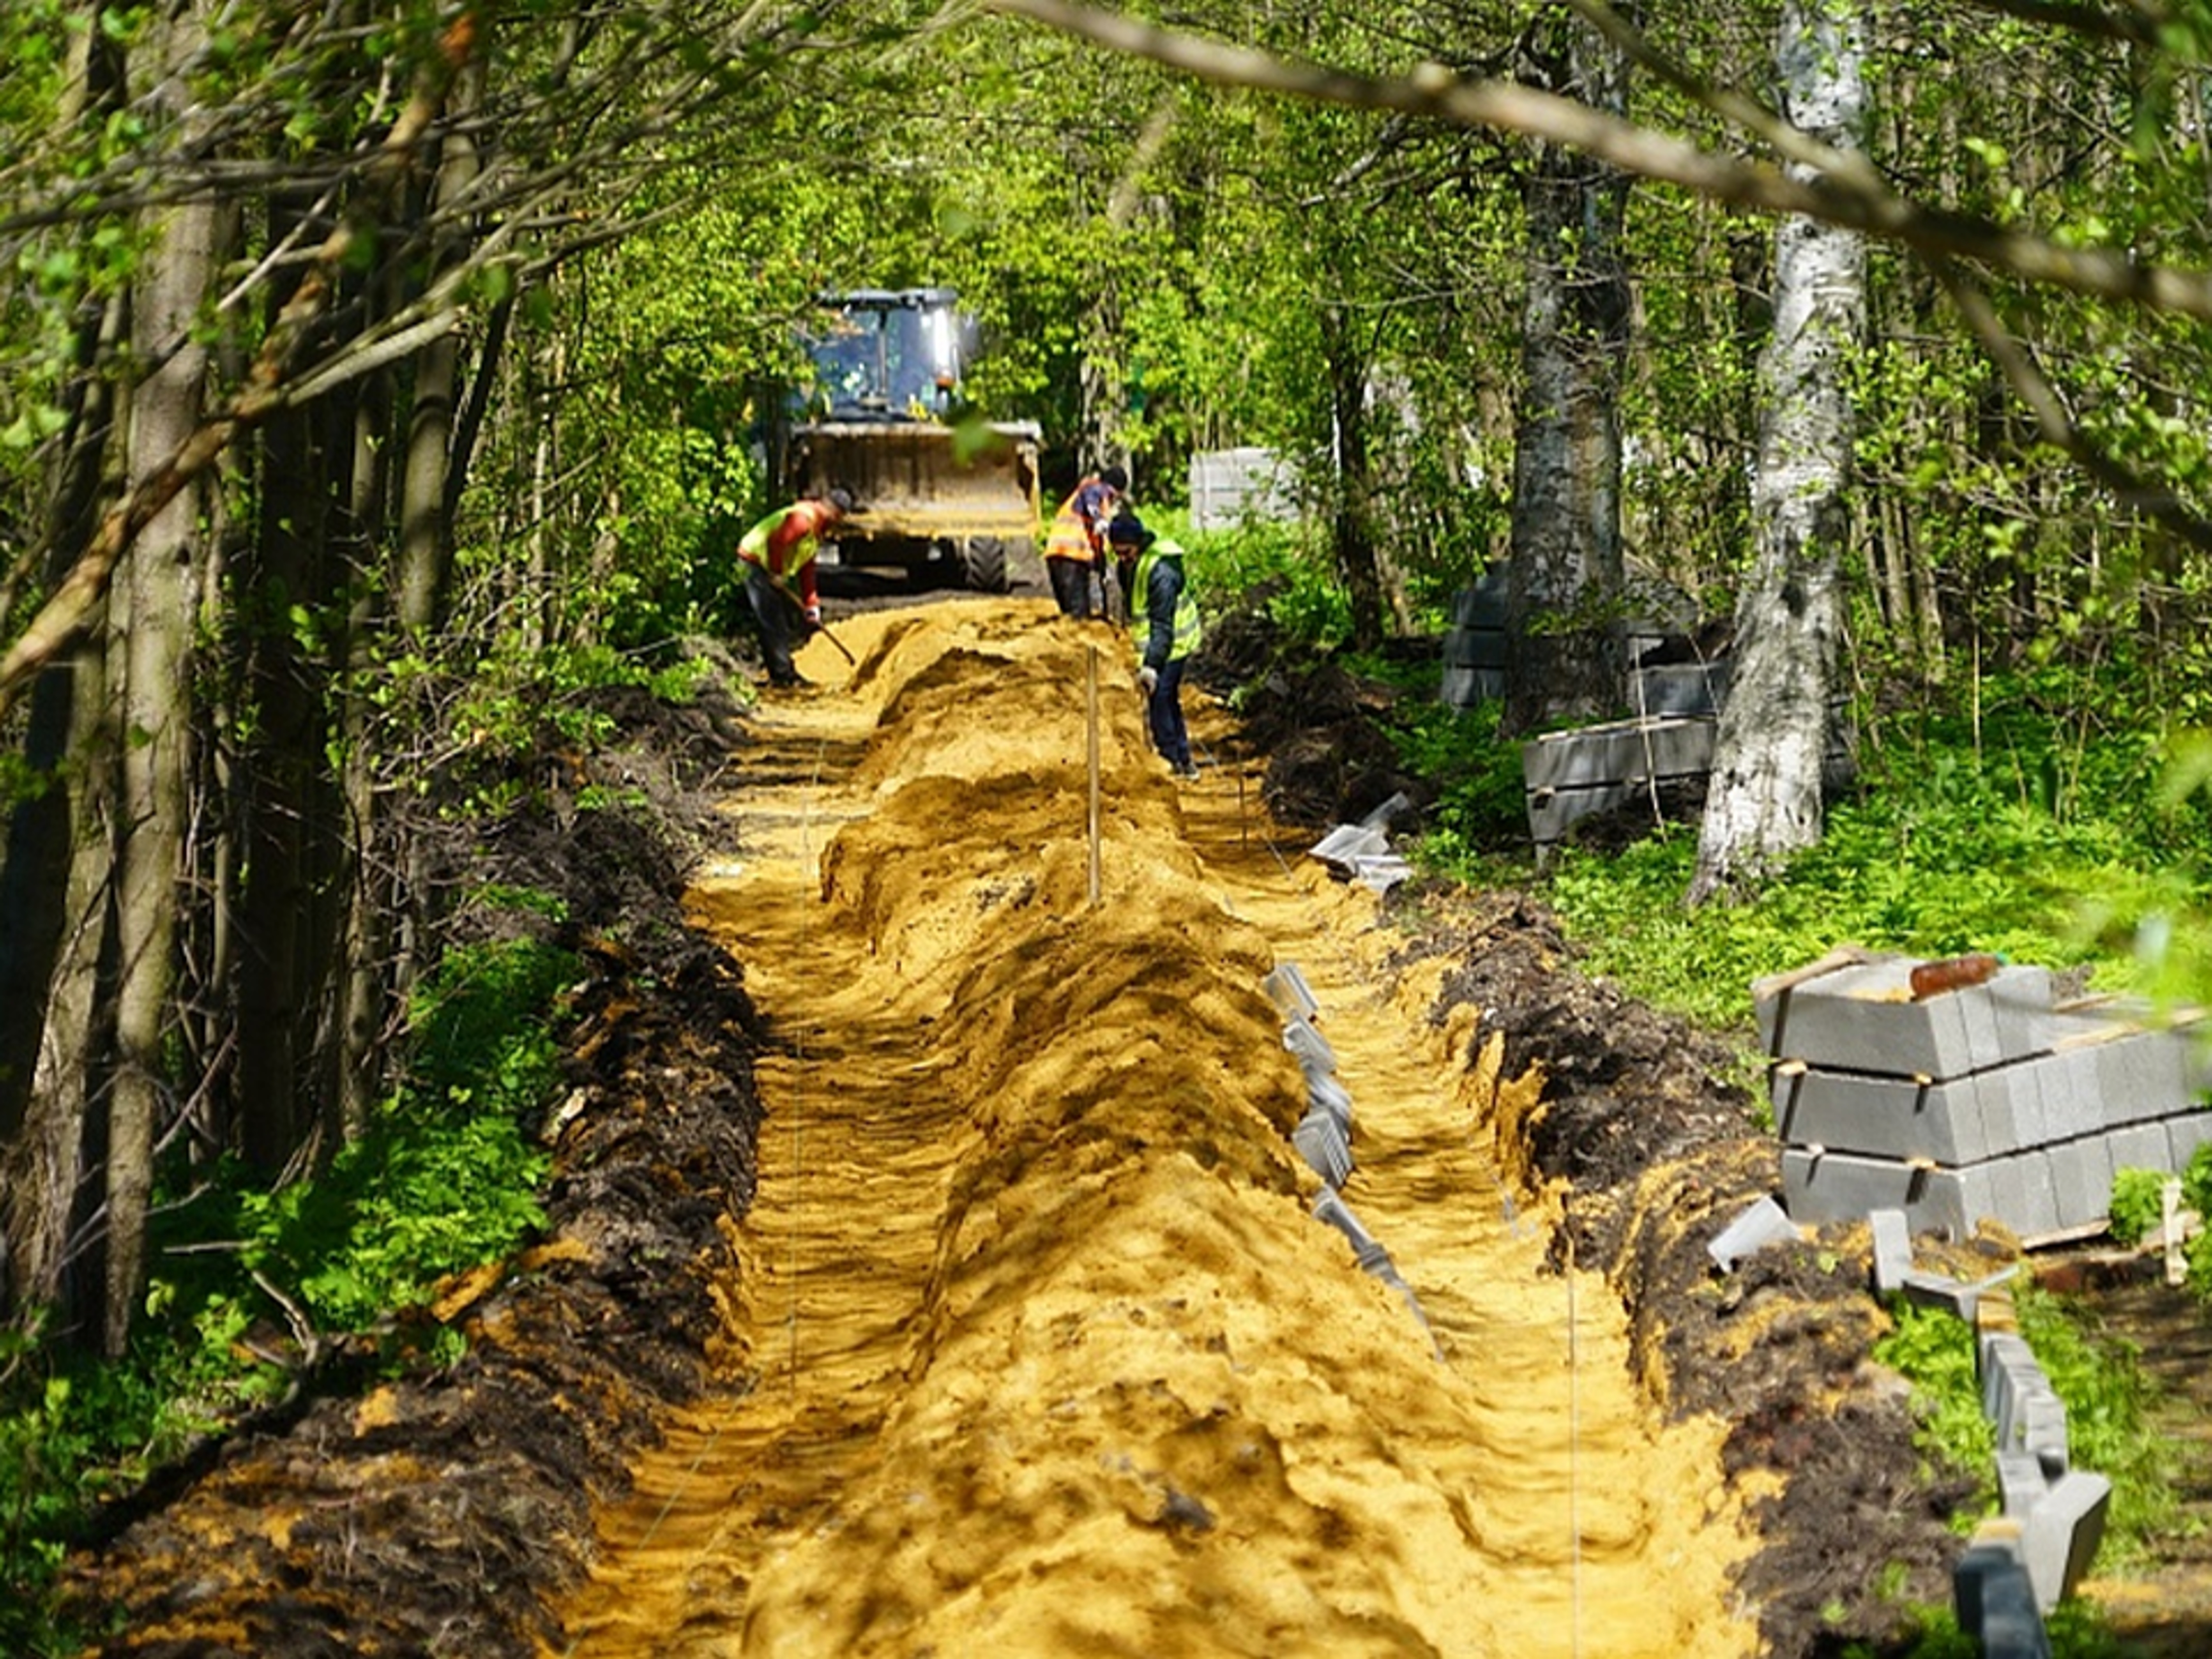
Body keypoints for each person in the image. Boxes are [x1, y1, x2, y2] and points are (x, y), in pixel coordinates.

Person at [1107, 510, 1202, 778]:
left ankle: (1170, 761)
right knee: (1167, 699)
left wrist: (1150, 665)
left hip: (1176, 642)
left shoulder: (1161, 573)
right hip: (1158, 643)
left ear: (1138, 544)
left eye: (1127, 552)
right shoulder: (1130, 565)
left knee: (1160, 697)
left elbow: (1162, 625)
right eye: (1118, 553)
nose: (1122, 559)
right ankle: (1185, 761)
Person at [737, 486, 850, 687]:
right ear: (835, 513)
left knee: (780, 620)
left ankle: (781, 671)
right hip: (755, 563)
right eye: (839, 519)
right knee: (773, 621)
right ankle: (783, 676)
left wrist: (811, 604)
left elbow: (807, 569)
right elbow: (777, 542)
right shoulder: (802, 520)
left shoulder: (817, 530)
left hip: (767, 568)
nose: (838, 524)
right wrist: (777, 572)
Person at [1042, 463, 1126, 618]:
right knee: (1079, 616)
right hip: (1072, 559)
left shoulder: (1096, 497)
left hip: (1058, 556)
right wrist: (1099, 519)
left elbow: (1096, 541)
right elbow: (1091, 502)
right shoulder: (1095, 489)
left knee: (1070, 614)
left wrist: (1103, 568)